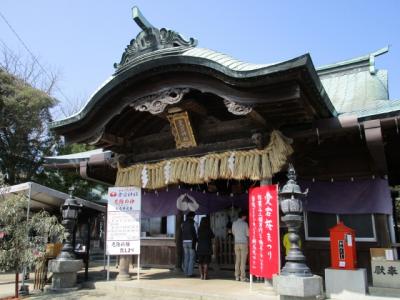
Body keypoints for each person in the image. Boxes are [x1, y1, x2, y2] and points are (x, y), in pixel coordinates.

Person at [232, 211, 249, 282]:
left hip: (236, 243)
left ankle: (236, 276)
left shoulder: (234, 223)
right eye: (245, 216)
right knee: (243, 261)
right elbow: (248, 234)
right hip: (243, 243)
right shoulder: (245, 224)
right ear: (243, 216)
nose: (246, 218)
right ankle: (242, 277)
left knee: (237, 260)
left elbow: (233, 232)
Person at [181, 211, 197, 277]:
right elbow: (196, 233)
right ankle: (190, 273)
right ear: (193, 216)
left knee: (186, 257)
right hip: (191, 241)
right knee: (191, 257)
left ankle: (185, 272)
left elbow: (182, 231)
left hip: (184, 241)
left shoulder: (183, 223)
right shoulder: (194, 223)